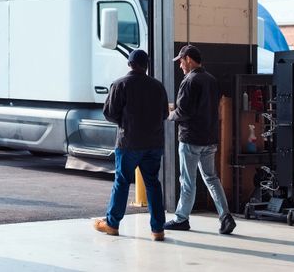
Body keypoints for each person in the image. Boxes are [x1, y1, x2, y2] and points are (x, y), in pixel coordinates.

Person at [93, 49, 169, 241]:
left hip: (128, 143)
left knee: (122, 182)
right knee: (153, 183)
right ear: (146, 66)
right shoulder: (158, 87)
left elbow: (110, 113)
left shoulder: (120, 84)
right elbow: (165, 114)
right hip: (154, 144)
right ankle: (158, 229)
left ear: (130, 64)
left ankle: (112, 224)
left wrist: (125, 120)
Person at [164, 44, 236, 235]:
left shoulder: (189, 81)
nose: (180, 65)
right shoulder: (211, 80)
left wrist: (169, 114)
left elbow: (183, 112)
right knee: (211, 178)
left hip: (191, 139)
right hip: (210, 138)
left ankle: (181, 219)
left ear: (188, 59)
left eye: (181, 61)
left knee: (187, 181)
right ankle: (225, 216)